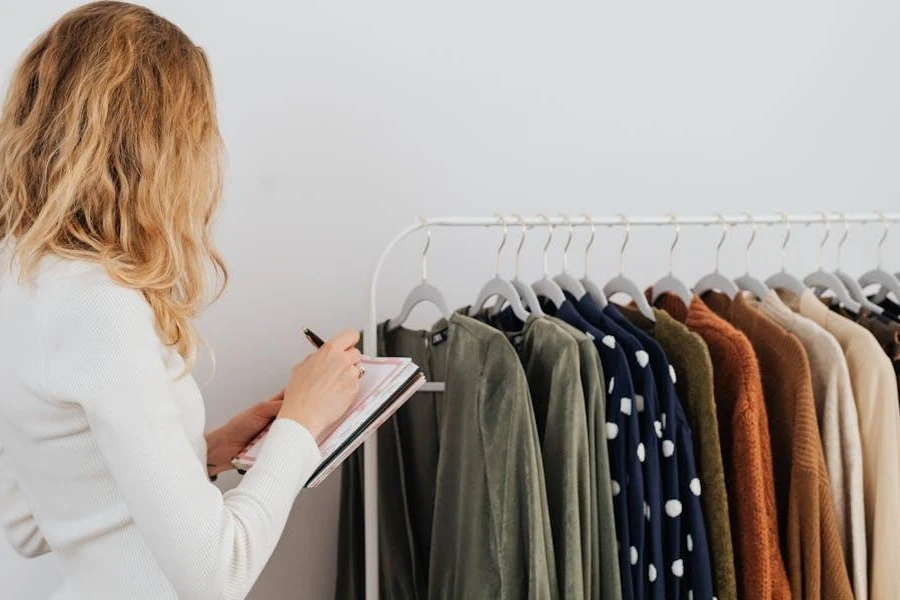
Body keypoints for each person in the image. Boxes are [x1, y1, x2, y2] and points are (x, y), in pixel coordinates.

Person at [0, 3, 362, 598]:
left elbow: (32, 523)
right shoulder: (102, 306)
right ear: (159, 148)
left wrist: (205, 449)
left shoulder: (24, 279)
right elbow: (221, 574)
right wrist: (303, 422)